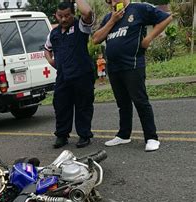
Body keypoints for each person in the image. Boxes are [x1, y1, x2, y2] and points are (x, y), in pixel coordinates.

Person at [93, 0, 172, 152]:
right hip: (114, 67)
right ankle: (124, 135)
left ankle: (151, 137)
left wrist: (149, 38)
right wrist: (112, 20)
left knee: (140, 101)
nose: (113, 1)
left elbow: (166, 18)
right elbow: (96, 39)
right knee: (122, 103)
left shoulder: (139, 8)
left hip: (133, 64)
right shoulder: (109, 17)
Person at [44, 0, 95, 149]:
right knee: (61, 105)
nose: (64, 19)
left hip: (82, 74)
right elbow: (47, 49)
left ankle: (84, 136)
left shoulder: (81, 26)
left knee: (83, 105)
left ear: (73, 14)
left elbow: (87, 12)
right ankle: (62, 136)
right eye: (60, 16)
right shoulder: (53, 33)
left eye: (67, 15)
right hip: (63, 76)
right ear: (56, 15)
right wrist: (51, 61)